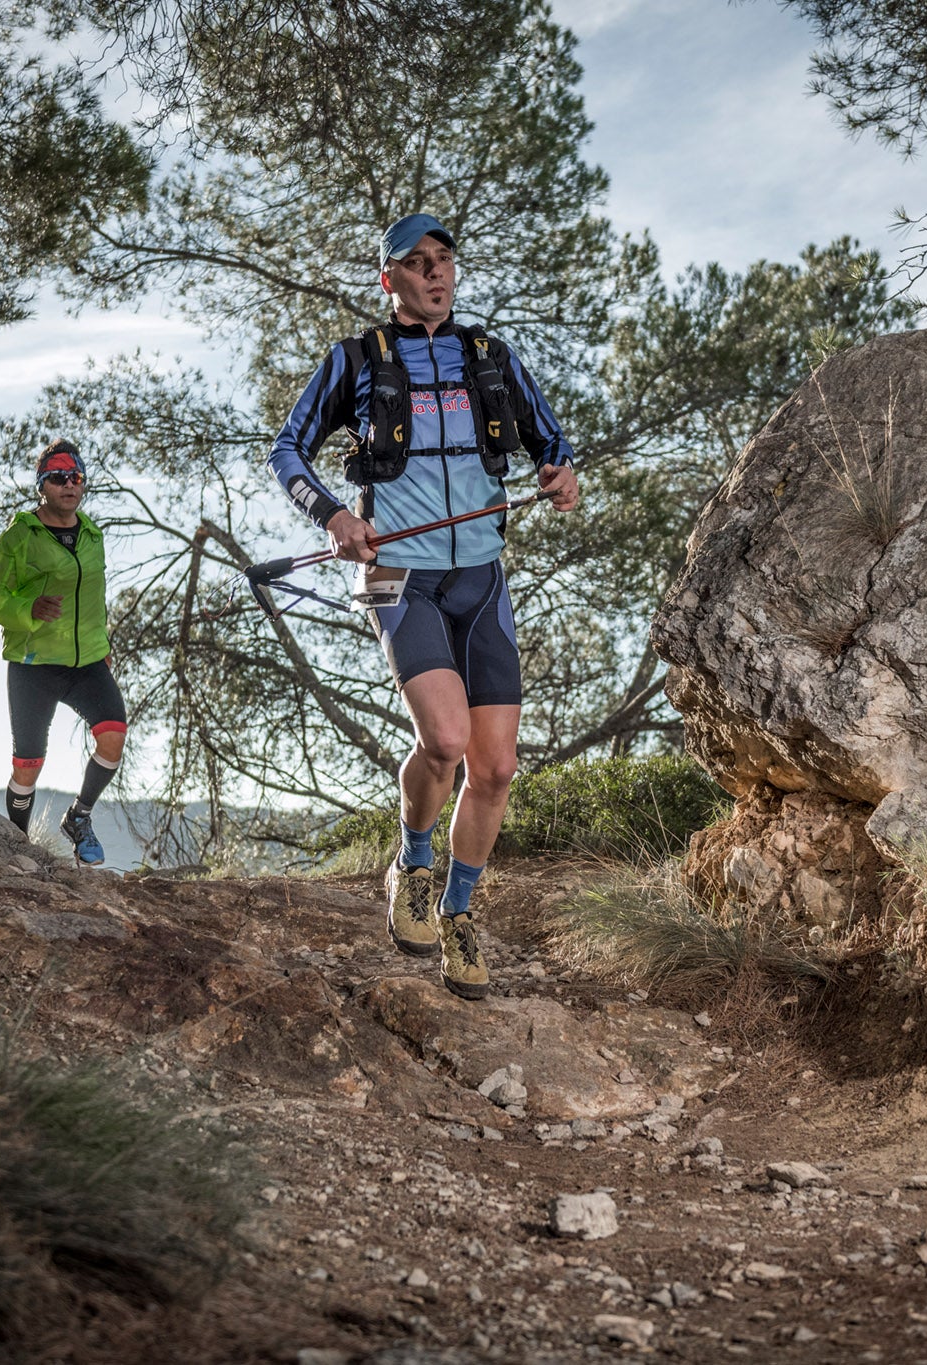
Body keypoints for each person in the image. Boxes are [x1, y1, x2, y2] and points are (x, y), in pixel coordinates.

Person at [268, 213, 580, 1000]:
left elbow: (552, 444)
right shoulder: (355, 360)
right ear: (390, 280)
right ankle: (411, 858)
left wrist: (562, 474)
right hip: (399, 574)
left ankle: (460, 910)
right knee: (443, 741)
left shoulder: (491, 357)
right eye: (418, 263)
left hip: (482, 575)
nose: (437, 273)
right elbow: (286, 449)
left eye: (444, 260)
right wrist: (335, 516)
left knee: (498, 765)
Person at [0, 439, 126, 865]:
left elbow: (94, 598)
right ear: (42, 484)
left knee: (113, 736)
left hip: (87, 662)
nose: (68, 485)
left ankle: (79, 817)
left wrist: (104, 646)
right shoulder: (20, 536)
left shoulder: (92, 534)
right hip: (34, 663)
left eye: (75, 477)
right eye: (58, 477)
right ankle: (18, 846)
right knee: (28, 763)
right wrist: (27, 610)